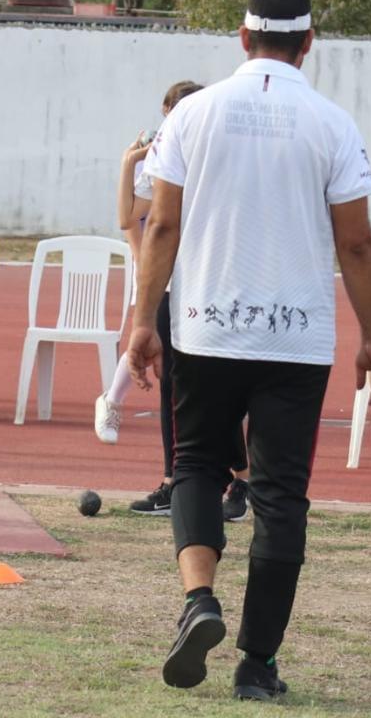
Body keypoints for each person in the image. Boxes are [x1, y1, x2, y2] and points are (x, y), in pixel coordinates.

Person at [127, 0, 371, 701]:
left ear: (242, 39)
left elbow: (163, 227)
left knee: (197, 466)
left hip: (204, 325)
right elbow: (358, 242)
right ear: (309, 43)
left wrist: (144, 319)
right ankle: (259, 664)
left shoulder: (192, 114)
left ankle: (198, 599)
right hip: (296, 337)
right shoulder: (332, 121)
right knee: (281, 497)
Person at [98, 82, 253, 523]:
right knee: (177, 387)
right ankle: (180, 480)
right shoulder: (166, 158)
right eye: (173, 111)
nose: (180, 119)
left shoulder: (222, 155)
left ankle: (234, 477)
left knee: (211, 386)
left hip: (215, 283)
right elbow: (129, 218)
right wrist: (128, 164)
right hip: (174, 284)